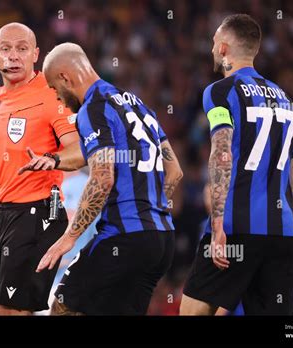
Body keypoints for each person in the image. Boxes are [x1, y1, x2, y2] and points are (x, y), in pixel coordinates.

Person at [36, 42, 184, 315]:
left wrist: (70, 237)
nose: (57, 98)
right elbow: (174, 171)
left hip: (123, 236)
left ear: (65, 78)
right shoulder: (139, 106)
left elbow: (102, 178)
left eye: (55, 89)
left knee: (63, 307)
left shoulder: (93, 108)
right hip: (161, 240)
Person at [0, 23, 85, 316]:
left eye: (22, 49)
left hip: (39, 215)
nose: (13, 56)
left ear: (35, 54)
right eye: (6, 49)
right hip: (5, 217)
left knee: (9, 312)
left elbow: (80, 149)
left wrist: (53, 159)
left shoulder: (52, 94)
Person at [180, 14, 293, 315]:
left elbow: (222, 151)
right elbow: (290, 171)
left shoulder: (220, 91)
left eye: (212, 43)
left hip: (236, 226)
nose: (210, 50)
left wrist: (218, 225)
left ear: (223, 48)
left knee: (193, 311)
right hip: (283, 231)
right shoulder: (284, 99)